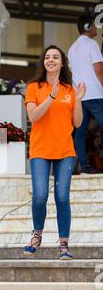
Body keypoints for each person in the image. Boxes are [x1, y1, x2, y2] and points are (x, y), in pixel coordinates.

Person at [23, 45, 86, 260]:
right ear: (43, 62)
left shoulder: (70, 90)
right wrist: (51, 95)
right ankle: (37, 234)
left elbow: (77, 122)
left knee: (62, 197)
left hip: (65, 151)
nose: (50, 60)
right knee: (40, 196)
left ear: (62, 63)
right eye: (47, 57)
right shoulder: (33, 87)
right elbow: (33, 117)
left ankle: (64, 245)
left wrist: (77, 100)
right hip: (40, 149)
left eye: (55, 57)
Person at [68, 14, 103, 173]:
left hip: (81, 96)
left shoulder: (72, 48)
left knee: (80, 133)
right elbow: (99, 71)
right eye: (94, 26)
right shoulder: (92, 44)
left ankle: (85, 167)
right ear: (88, 27)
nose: (96, 28)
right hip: (96, 94)